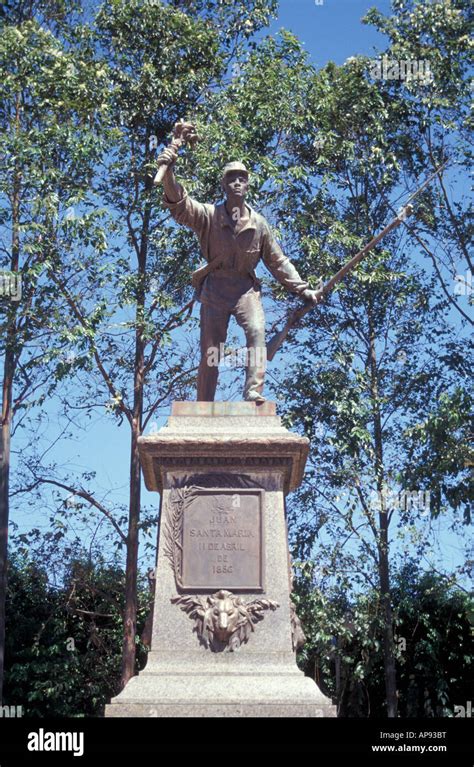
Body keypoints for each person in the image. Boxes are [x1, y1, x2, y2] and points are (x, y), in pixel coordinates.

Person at [156, 148, 320, 402]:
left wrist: (301, 288)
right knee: (211, 350)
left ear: (247, 185)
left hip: (244, 289)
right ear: (223, 184)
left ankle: (253, 391)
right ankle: (204, 404)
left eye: (241, 178)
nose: (236, 183)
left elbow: (278, 261)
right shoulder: (209, 215)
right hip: (215, 289)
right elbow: (181, 205)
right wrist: (169, 173)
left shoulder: (259, 224)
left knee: (256, 331)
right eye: (231, 178)